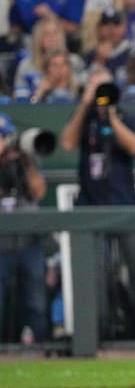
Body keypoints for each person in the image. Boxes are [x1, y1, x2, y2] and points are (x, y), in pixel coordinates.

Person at [60, 68, 135, 339]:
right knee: (95, 272)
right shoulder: (83, 117)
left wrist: (111, 115)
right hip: (91, 205)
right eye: (95, 87)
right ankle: (98, 329)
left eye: (104, 87)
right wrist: (84, 105)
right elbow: (67, 142)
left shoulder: (128, 116)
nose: (101, 94)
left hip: (124, 204)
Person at [0, 112, 48, 344]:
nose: (6, 141)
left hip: (29, 242)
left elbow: (39, 191)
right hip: (1, 244)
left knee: (36, 301)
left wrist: (26, 161)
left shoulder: (24, 159)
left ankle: (41, 348)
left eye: (7, 135)